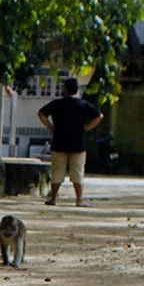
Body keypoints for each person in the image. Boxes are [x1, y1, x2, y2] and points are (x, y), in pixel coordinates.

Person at [37, 77, 103, 207]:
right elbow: (99, 116)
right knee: (78, 172)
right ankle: (79, 199)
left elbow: (41, 113)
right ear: (77, 90)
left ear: (65, 89)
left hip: (59, 142)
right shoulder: (83, 104)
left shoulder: (57, 104)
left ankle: (54, 198)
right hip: (78, 143)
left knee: (57, 172)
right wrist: (87, 128)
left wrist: (50, 126)